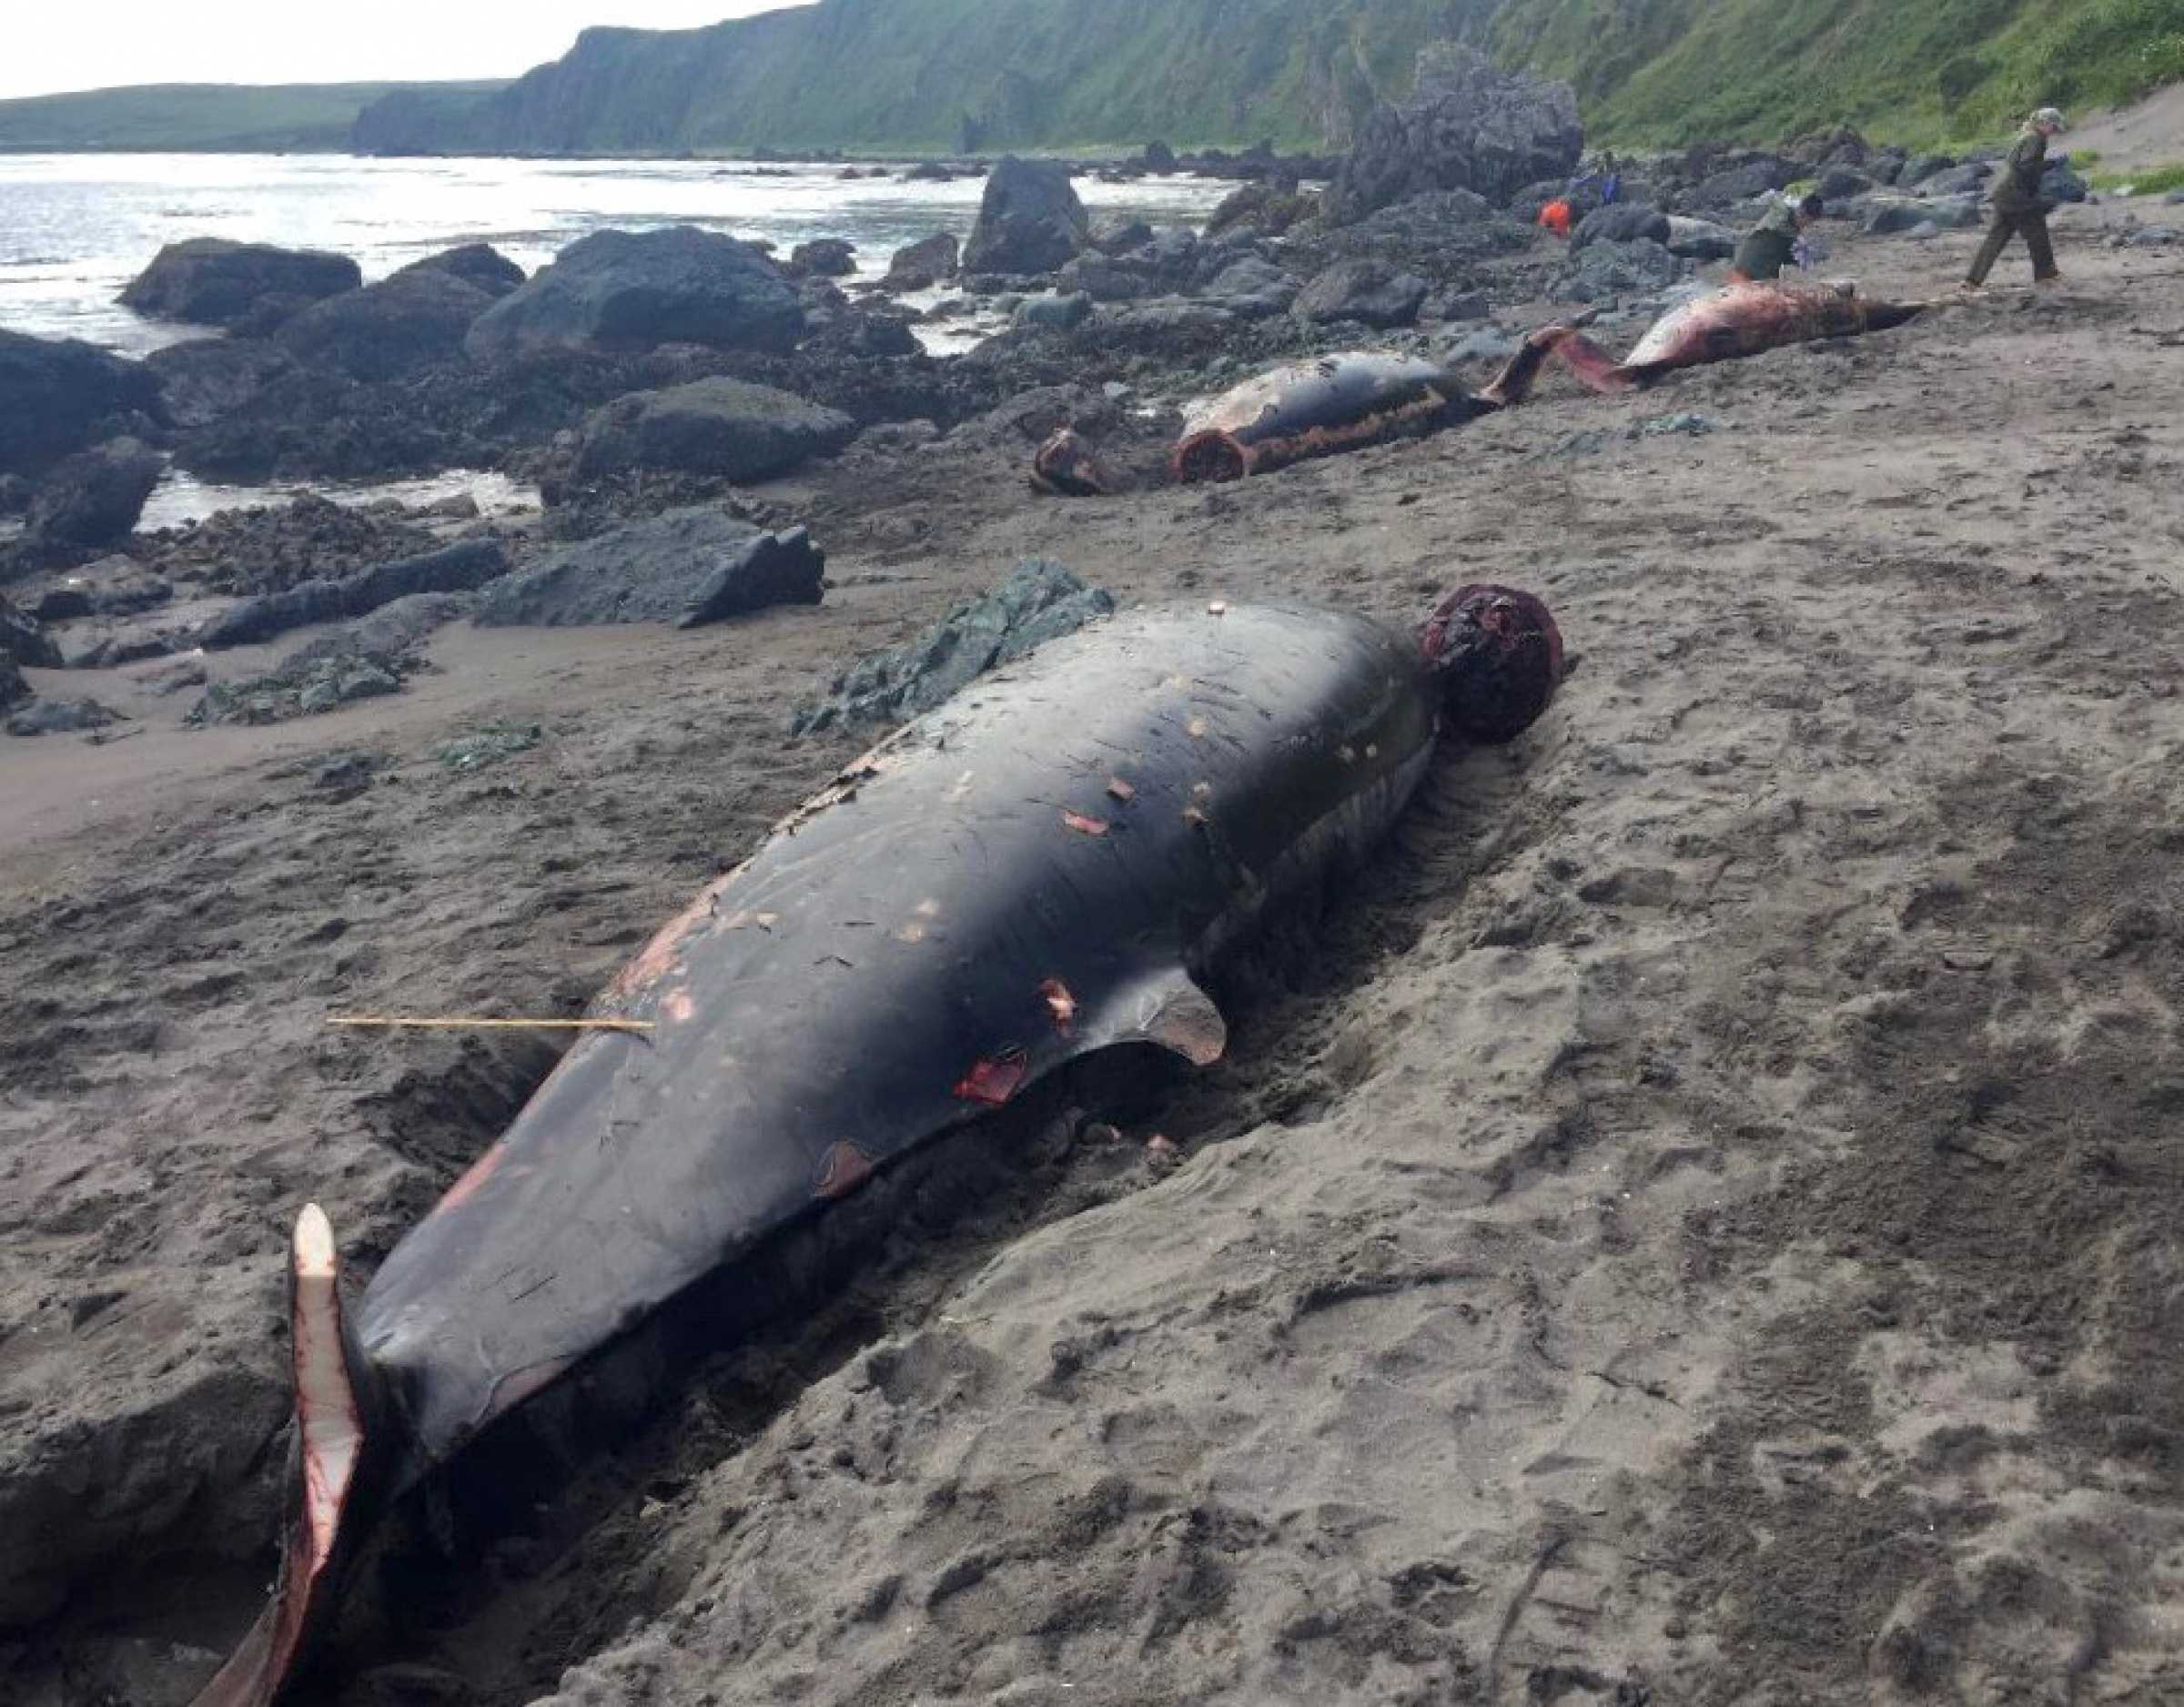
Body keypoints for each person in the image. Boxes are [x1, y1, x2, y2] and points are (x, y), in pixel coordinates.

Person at [1963, 107, 2067, 290]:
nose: (2054, 131)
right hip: (2014, 195)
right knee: (2036, 230)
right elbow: (2026, 167)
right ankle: (2045, 276)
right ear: (2045, 124)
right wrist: (2051, 164)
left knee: (1996, 237)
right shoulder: (2035, 139)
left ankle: (1972, 281)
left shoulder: (2027, 136)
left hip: (2002, 193)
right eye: (2053, 127)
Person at [1730, 193, 1825, 282]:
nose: (1806, 225)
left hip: (1751, 268)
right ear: (1802, 213)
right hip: (1750, 270)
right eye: (1808, 221)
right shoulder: (1780, 221)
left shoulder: (1788, 224)